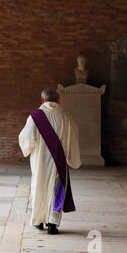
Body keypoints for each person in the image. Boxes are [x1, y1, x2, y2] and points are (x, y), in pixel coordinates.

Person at [19, 89, 81, 235]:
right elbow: (73, 138)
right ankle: (53, 224)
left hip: (40, 161)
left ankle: (39, 221)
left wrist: (30, 147)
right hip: (59, 161)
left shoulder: (35, 117)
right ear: (58, 100)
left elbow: (26, 137)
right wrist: (72, 158)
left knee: (39, 187)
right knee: (57, 190)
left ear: (42, 100)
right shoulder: (67, 117)